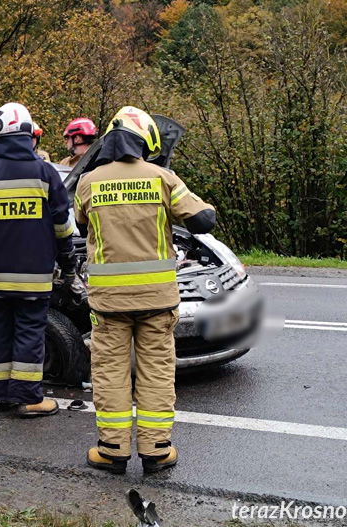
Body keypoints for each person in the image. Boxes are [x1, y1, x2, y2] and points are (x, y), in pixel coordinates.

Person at [73, 106, 216, 474]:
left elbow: (79, 223)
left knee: (110, 373)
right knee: (156, 371)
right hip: (156, 299)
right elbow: (203, 220)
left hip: (108, 303)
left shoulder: (88, 182)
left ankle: (112, 450)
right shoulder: (162, 177)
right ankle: (156, 450)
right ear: (146, 141)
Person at [0, 103, 78, 417]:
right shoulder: (44, 172)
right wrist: (67, 258)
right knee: (28, 333)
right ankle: (28, 398)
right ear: (28, 134)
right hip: (33, 276)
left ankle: (4, 396)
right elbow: (62, 225)